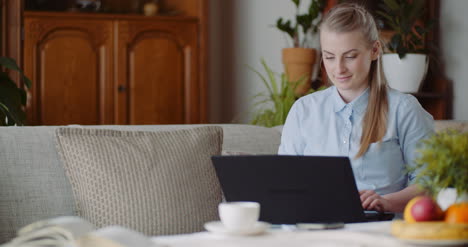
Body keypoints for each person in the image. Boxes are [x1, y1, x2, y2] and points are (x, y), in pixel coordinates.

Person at [278, 3, 434, 213]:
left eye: (350, 56)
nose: (339, 68)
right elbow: (284, 181)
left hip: (379, 229)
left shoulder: (403, 109)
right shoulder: (303, 110)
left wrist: (386, 202)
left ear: (375, 50)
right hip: (316, 227)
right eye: (329, 57)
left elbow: (429, 183)